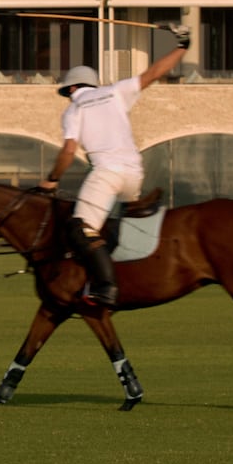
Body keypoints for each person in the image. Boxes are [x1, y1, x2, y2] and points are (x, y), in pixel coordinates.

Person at [38, 22, 194, 307]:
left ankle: (106, 288)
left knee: (80, 229)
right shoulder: (115, 91)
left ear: (72, 87)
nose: (68, 96)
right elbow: (154, 73)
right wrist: (182, 46)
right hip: (133, 174)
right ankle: (120, 271)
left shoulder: (74, 109)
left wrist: (52, 179)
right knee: (107, 228)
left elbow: (68, 150)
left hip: (107, 174)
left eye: (67, 92)